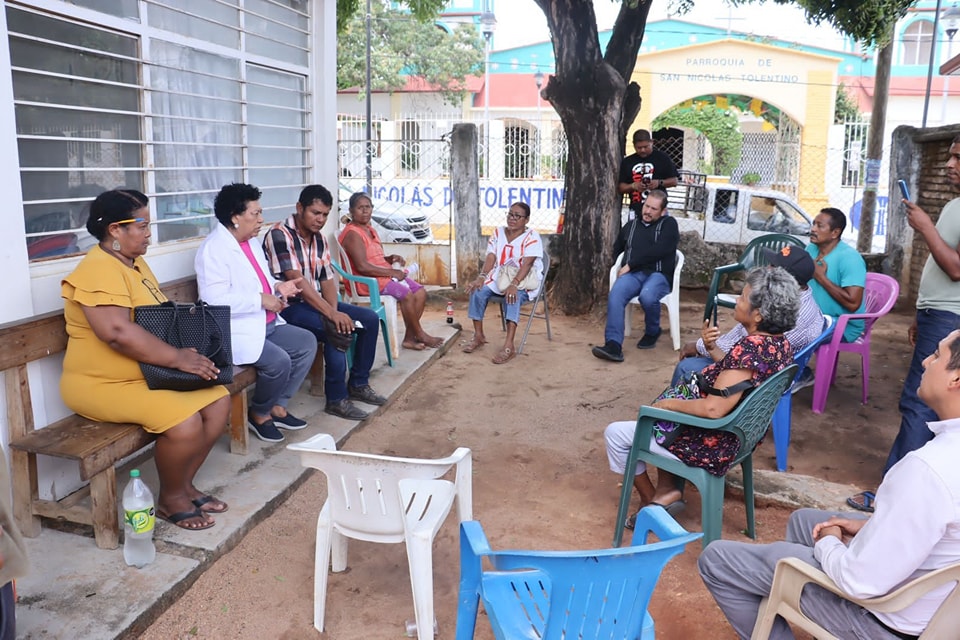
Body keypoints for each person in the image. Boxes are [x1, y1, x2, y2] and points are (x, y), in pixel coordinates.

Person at [699, 328, 960, 640]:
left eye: (936, 356)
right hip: (936, 604)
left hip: (884, 622)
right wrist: (867, 527)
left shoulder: (927, 470)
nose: (925, 362)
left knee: (717, 560)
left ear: (955, 380)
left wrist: (829, 541)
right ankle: (801, 604)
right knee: (803, 521)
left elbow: (858, 581)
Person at [61, 189, 231, 530]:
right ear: (115, 230)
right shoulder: (98, 269)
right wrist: (177, 359)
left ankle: (183, 485)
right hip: (100, 385)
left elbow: (156, 318)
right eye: (142, 225)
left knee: (219, 400)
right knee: (184, 422)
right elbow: (116, 333)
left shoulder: (132, 264)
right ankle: (172, 500)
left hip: (144, 375)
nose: (149, 233)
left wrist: (187, 353)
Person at [605, 266, 799, 525]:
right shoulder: (779, 344)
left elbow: (712, 410)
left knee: (617, 434)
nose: (737, 301)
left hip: (714, 441)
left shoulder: (751, 347)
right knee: (662, 415)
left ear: (759, 314)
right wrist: (711, 348)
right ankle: (664, 495)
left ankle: (653, 502)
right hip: (741, 435)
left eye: (742, 297)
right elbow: (741, 379)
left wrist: (667, 405)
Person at [849, 134, 960, 513]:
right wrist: (922, 311)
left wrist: (925, 227)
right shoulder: (955, 205)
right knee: (933, 405)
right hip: (939, 315)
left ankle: (891, 501)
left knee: (920, 402)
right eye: (948, 157)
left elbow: (956, 268)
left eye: (958, 158)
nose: (949, 165)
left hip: (949, 316)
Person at [195, 183, 317, 444]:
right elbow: (213, 300)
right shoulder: (214, 249)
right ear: (235, 217)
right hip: (235, 330)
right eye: (255, 214)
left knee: (306, 342)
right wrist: (259, 300)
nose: (261, 220)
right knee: (279, 362)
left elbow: (259, 279)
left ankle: (277, 406)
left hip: (265, 322)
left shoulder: (249, 242)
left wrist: (277, 287)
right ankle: (259, 413)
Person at [263, 185, 386, 421]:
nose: (320, 220)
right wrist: (331, 315)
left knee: (369, 319)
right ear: (300, 208)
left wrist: (334, 309)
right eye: (315, 213)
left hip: (315, 302)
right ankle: (336, 399)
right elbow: (297, 281)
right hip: (288, 308)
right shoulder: (279, 234)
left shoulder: (318, 239)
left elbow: (327, 280)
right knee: (334, 329)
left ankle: (359, 384)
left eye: (324, 215)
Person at [672, 245, 823, 385]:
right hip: (752, 364)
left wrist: (700, 346)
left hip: (752, 377)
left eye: (773, 267)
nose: (767, 268)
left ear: (784, 280)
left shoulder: (788, 315)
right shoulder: (792, 300)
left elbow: (742, 353)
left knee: (686, 367)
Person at [338, 192, 443, 351]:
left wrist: (389, 258)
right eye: (360, 208)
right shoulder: (353, 233)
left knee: (420, 292)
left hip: (382, 275)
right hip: (368, 281)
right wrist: (392, 273)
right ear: (351, 211)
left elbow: (373, 257)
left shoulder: (369, 229)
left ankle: (409, 338)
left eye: (368, 207)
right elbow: (362, 267)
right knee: (406, 294)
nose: (365, 211)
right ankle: (420, 334)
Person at [592, 190, 678, 361]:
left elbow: (659, 250)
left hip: (658, 274)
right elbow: (618, 248)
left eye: (654, 209)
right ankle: (613, 345)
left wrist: (630, 264)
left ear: (662, 211)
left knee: (648, 296)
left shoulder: (669, 224)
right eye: (646, 206)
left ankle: (653, 331)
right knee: (616, 294)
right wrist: (617, 265)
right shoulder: (632, 225)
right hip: (634, 275)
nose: (647, 211)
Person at [461, 202, 545, 365]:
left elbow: (527, 264)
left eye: (517, 216)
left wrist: (514, 284)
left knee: (512, 296)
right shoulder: (498, 233)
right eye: (510, 214)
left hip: (522, 279)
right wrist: (482, 276)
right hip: (499, 277)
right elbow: (491, 256)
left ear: (526, 220)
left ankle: (509, 346)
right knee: (477, 291)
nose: (512, 219)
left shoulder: (532, 236)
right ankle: (478, 336)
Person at [806, 207, 866, 342]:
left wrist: (820, 277)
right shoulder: (811, 249)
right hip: (813, 318)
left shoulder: (850, 258)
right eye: (814, 224)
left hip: (842, 326)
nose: (813, 229)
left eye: (820, 226)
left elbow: (853, 304)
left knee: (789, 336)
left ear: (835, 233)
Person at [618, 129, 679, 221]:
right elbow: (621, 187)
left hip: (658, 209)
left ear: (652, 142)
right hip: (636, 208)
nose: (642, 150)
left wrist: (659, 183)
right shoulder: (628, 162)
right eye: (639, 147)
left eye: (646, 146)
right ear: (634, 145)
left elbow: (674, 181)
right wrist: (633, 185)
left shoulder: (662, 158)